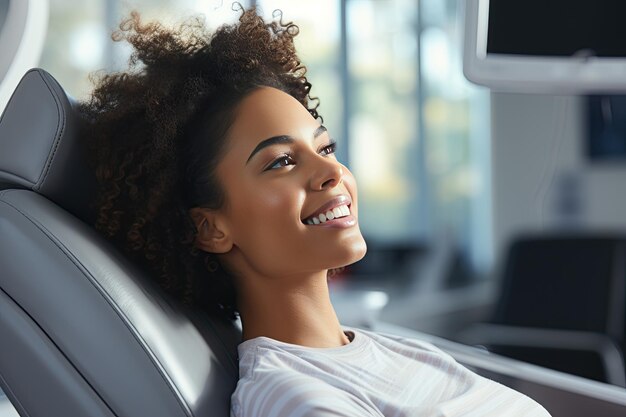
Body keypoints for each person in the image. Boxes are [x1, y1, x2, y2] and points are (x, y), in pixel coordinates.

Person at [80, 4, 552, 417]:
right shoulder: (293, 397)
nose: (331, 172)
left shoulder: (391, 352)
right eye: (281, 161)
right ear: (210, 227)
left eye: (325, 147)